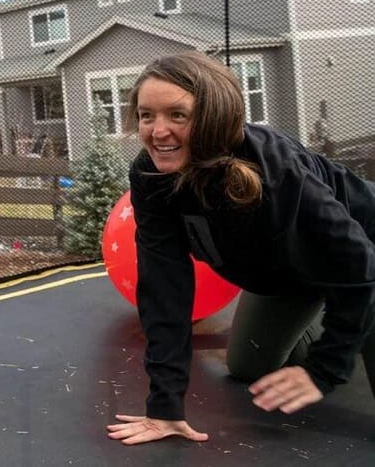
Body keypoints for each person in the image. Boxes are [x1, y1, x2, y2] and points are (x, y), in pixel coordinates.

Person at [106, 51, 375, 446]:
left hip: (364, 261)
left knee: (362, 305)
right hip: (290, 276)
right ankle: (336, 316)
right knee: (250, 366)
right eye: (147, 115)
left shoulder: (275, 168)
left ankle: (352, 322)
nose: (158, 131)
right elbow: (164, 286)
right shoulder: (151, 175)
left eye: (177, 115)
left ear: (214, 116)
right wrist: (165, 407)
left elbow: (359, 264)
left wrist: (324, 369)